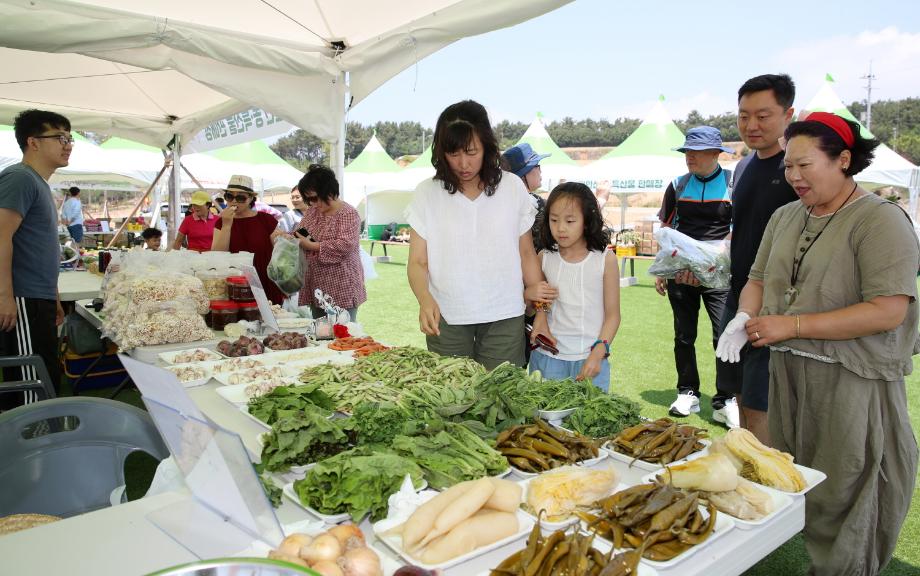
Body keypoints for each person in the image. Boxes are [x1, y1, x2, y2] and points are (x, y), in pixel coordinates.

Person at [718, 112, 918, 576]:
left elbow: (888, 310)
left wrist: (793, 324)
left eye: (804, 165)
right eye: (788, 166)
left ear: (844, 159)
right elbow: (758, 278)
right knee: (801, 477)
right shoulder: (785, 215)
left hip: (852, 380)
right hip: (788, 374)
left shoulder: (880, 221)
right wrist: (747, 315)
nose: (793, 176)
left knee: (848, 487)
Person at [406, 100, 543, 369]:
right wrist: (425, 299)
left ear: (487, 146)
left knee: (503, 400)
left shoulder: (513, 187)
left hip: (505, 316)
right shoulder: (427, 193)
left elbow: (526, 253)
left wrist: (541, 312)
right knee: (450, 401)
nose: (463, 164)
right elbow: (417, 262)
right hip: (448, 317)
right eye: (453, 153)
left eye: (472, 152)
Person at [718, 73, 799, 444]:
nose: (751, 125)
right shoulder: (743, 167)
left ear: (788, 114)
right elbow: (745, 228)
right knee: (737, 388)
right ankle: (750, 466)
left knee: (761, 400)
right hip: (738, 294)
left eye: (763, 115)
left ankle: (771, 487)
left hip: (779, 302)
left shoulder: (796, 170)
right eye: (743, 116)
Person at [655, 126, 739, 428]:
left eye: (698, 151)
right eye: (687, 151)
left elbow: (738, 230)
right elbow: (665, 229)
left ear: (716, 154)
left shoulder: (733, 183)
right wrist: (662, 269)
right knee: (683, 335)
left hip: (719, 275)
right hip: (681, 273)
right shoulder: (677, 185)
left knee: (724, 336)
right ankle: (687, 392)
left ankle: (725, 400)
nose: (690, 156)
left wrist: (716, 260)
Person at [0, 109, 70, 410]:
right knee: (33, 383)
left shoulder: (39, 183)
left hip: (36, 297)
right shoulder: (19, 178)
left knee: (45, 373)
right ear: (34, 142)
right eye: (60, 137)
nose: (68, 144)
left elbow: (39, 248)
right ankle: (34, 444)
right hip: (22, 298)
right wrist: (5, 296)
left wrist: (53, 295)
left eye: (70, 139)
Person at [527, 182, 620, 391]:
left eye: (570, 221)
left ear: (586, 221)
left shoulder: (605, 260)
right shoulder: (544, 257)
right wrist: (529, 294)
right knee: (543, 421)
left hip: (590, 359)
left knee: (589, 420)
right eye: (553, 220)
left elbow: (613, 315)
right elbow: (532, 307)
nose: (560, 228)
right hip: (547, 358)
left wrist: (599, 352)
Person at [294, 164, 366, 321]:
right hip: (316, 284)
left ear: (329, 192)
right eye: (308, 199)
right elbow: (302, 233)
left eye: (314, 198)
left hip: (342, 285)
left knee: (343, 335)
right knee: (320, 334)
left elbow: (345, 245)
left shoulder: (348, 213)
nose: (312, 203)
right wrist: (288, 237)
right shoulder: (313, 212)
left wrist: (312, 246)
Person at [211, 175, 285, 305]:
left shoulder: (266, 220)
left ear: (250, 198)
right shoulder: (221, 222)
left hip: (265, 281)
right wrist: (227, 225)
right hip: (236, 283)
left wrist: (285, 240)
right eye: (229, 196)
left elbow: (280, 251)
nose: (234, 201)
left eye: (240, 197)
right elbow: (217, 255)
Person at [501, 143, 550, 251]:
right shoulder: (539, 204)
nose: (540, 170)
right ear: (524, 174)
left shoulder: (501, 203)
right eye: (537, 166)